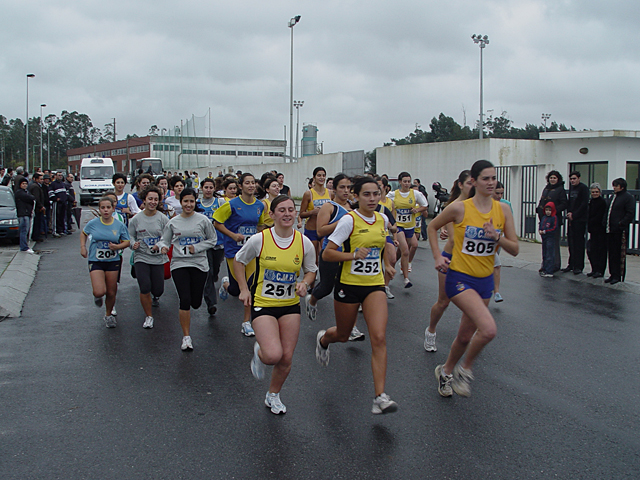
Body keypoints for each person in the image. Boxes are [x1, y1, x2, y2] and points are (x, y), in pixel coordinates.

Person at [427, 160, 518, 398]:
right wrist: (438, 256)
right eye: (485, 178)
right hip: (459, 279)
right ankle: (464, 371)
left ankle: (445, 371)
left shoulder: (503, 210)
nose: (491, 183)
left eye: (493, 178)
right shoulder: (460, 208)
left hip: (485, 281)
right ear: (474, 181)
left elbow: (515, 249)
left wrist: (496, 236)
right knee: (488, 330)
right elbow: (432, 227)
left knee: (466, 335)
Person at [316, 177, 399, 415]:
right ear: (356, 196)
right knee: (343, 335)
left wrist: (387, 264)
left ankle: (380, 397)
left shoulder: (382, 218)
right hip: (348, 285)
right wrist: (352, 255)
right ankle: (324, 339)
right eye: (367, 195)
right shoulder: (348, 221)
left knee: (379, 337)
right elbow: (327, 254)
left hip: (374, 285)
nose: (372, 199)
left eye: (376, 194)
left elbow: (380, 245)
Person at [233, 195, 317, 414]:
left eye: (291, 209)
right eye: (282, 210)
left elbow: (311, 270)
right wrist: (243, 289)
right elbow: (239, 261)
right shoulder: (259, 240)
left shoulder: (303, 241)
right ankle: (260, 352)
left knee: (286, 357)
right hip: (263, 303)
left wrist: (305, 284)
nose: (288, 213)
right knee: (273, 355)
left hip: (289, 304)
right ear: (272, 214)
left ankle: (273, 395)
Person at [159, 188, 217, 350]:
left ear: (195, 202)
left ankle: (196, 303)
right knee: (184, 299)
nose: (188, 204)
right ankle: (186, 337)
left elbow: (213, 240)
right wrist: (163, 247)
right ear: (181, 202)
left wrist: (197, 247)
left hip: (199, 264)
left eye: (191, 201)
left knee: (196, 303)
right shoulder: (173, 222)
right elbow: (165, 240)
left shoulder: (203, 220)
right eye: (185, 201)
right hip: (179, 264)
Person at [424, 170, 473, 352]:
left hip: (472, 261)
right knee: (444, 302)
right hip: (451, 258)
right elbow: (448, 235)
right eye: (469, 183)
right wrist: (438, 254)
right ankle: (431, 330)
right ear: (460, 185)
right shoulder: (454, 207)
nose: (473, 187)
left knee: (471, 303)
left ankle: (464, 337)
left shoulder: (481, 206)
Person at [213, 173, 268, 336]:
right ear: (240, 186)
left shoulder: (260, 205)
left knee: (251, 286)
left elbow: (260, 226)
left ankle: (246, 322)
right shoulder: (231, 204)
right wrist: (232, 235)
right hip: (234, 251)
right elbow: (217, 223)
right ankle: (226, 284)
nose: (251, 186)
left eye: (253, 183)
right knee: (236, 290)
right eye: (247, 183)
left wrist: (260, 238)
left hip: (251, 252)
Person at [80, 195, 130, 328]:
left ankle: (108, 315)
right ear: (100, 209)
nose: (106, 210)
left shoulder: (119, 225)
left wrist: (117, 247)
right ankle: (97, 296)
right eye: (103, 208)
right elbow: (84, 233)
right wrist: (83, 247)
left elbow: (127, 241)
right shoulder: (93, 223)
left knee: (111, 292)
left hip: (112, 260)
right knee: (99, 291)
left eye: (108, 207)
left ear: (113, 209)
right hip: (96, 260)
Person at [128, 186, 169, 328]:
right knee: (144, 287)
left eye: (156, 199)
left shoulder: (163, 219)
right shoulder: (136, 219)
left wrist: (163, 245)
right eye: (150, 199)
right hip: (141, 257)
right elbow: (130, 236)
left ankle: (155, 296)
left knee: (158, 289)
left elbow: (168, 237)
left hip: (158, 258)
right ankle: (148, 316)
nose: (153, 202)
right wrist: (133, 244)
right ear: (144, 199)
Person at [390, 171, 428, 288]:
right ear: (400, 182)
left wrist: (417, 210)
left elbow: (425, 205)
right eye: (404, 181)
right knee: (405, 250)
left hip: (410, 226)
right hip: (398, 226)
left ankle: (390, 266)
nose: (407, 184)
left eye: (408, 181)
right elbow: (384, 203)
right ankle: (406, 279)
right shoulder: (393, 194)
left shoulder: (415, 194)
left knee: (401, 251)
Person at [197, 178, 226, 315]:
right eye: (206, 187)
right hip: (203, 244)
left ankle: (216, 277)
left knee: (215, 270)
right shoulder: (197, 204)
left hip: (218, 242)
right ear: (201, 189)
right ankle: (211, 303)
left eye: (210, 187)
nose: (208, 190)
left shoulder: (220, 202)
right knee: (208, 273)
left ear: (214, 189)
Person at [603, 178, 636, 285]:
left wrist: (621, 223)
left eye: (616, 186)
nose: (614, 188)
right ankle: (612, 274)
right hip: (610, 229)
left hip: (619, 231)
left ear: (622, 187)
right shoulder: (613, 197)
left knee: (618, 253)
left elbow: (630, 213)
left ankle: (618, 275)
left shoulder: (628, 198)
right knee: (611, 254)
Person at [536, 171, 567, 272]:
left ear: (558, 179)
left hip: (554, 220)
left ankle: (555, 264)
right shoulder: (546, 188)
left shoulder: (560, 190)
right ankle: (545, 264)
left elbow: (564, 204)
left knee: (553, 244)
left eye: (554, 178)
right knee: (545, 244)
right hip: (544, 219)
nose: (552, 179)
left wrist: (553, 211)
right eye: (551, 178)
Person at [299, 167, 331, 262]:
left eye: (323, 175)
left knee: (324, 255)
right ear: (314, 177)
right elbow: (301, 214)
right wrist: (312, 212)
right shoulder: (308, 194)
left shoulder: (330, 193)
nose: (321, 178)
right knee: (313, 259)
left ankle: (324, 276)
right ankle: (313, 276)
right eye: (319, 175)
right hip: (312, 229)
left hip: (325, 229)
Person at [562, 171, 590, 275]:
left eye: (574, 179)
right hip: (571, 220)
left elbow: (584, 204)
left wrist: (575, 214)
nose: (572, 181)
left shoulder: (583, 188)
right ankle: (571, 264)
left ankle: (578, 266)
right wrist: (569, 213)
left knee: (579, 243)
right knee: (571, 242)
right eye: (571, 179)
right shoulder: (572, 189)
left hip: (579, 220)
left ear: (579, 178)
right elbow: (570, 203)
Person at [376, 176, 398, 299]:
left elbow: (394, 225)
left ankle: (385, 286)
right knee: (376, 263)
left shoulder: (385, 207)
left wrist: (392, 230)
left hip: (384, 235)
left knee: (392, 259)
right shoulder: (360, 207)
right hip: (369, 239)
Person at [491, 181, 512, 302]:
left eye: (501, 193)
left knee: (496, 265)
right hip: (483, 242)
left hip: (498, 240)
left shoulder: (505, 206)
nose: (499, 196)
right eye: (497, 193)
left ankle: (496, 291)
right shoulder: (483, 205)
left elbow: (509, 224)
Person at [586, 183, 607, 278]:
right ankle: (594, 269)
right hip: (593, 230)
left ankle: (600, 270)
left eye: (596, 192)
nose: (594, 193)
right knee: (592, 250)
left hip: (600, 230)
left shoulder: (602, 202)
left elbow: (600, 216)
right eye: (593, 192)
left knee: (600, 251)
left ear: (600, 192)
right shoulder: (591, 202)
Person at [15, 178, 36, 253]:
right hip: (23, 214)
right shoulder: (19, 193)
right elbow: (30, 198)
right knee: (24, 230)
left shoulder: (26, 192)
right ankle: (24, 247)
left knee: (26, 230)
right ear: (20, 185)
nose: (24, 185)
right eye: (23, 184)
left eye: (26, 184)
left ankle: (24, 246)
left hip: (27, 213)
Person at [539, 202, 558, 278]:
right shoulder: (544, 217)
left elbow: (554, 228)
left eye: (549, 210)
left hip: (550, 237)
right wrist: (540, 230)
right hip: (544, 237)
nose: (548, 211)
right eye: (546, 210)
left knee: (550, 254)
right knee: (545, 253)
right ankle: (544, 269)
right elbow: (541, 224)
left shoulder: (554, 218)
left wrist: (545, 231)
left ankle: (549, 270)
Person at [28, 173, 47, 242]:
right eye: (40, 179)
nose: (42, 180)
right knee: (37, 222)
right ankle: (36, 236)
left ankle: (36, 235)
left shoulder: (37, 186)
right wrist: (41, 206)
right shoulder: (35, 187)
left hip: (37, 207)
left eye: (42, 179)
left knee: (38, 222)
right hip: (37, 208)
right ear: (36, 179)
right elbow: (36, 198)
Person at [49, 171, 69, 236]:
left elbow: (66, 192)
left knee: (62, 217)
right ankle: (55, 231)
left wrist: (67, 199)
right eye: (59, 175)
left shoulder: (63, 184)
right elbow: (50, 193)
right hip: (57, 203)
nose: (60, 176)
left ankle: (61, 230)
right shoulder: (53, 184)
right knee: (56, 217)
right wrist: (55, 198)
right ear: (55, 176)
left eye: (61, 175)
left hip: (64, 203)